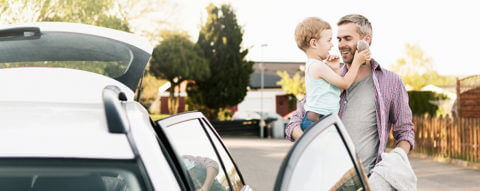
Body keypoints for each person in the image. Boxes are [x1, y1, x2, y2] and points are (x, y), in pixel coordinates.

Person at [285, 14, 415, 176]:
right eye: (338, 39)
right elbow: (294, 123)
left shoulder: (391, 82)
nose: (340, 45)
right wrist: (309, 142)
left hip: (368, 180)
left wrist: (394, 163)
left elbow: (405, 131)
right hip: (326, 180)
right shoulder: (327, 78)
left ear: (365, 41)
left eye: (347, 38)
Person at [293, 17, 370, 131]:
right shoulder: (317, 66)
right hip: (318, 121)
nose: (332, 45)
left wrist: (335, 69)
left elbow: (338, 91)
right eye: (328, 40)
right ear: (314, 43)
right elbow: (345, 84)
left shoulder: (320, 66)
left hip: (323, 119)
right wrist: (356, 62)